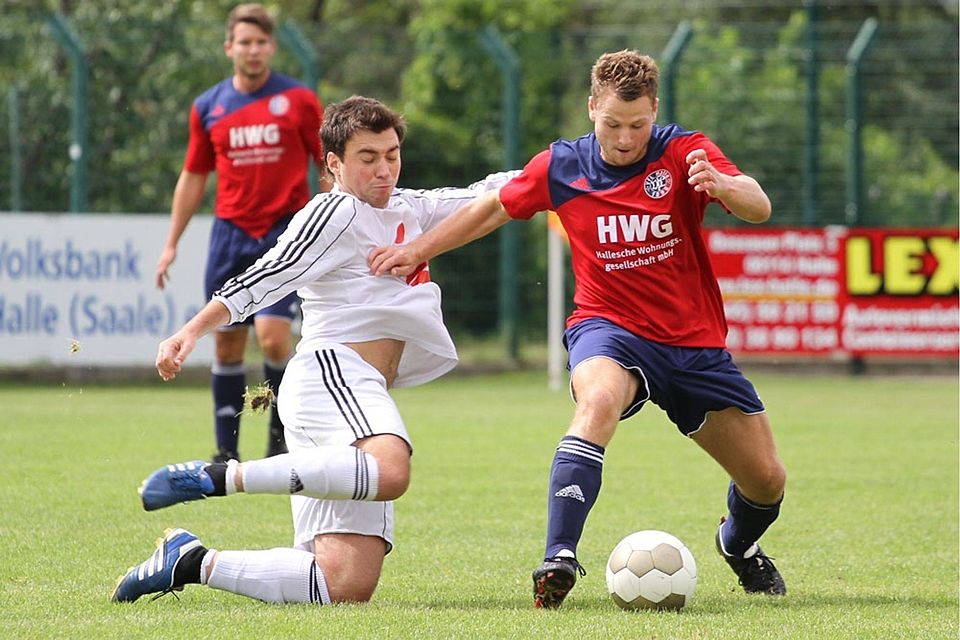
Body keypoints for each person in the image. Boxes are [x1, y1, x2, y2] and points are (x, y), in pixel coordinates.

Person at [369, 49, 788, 609]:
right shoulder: (562, 165)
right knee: (596, 403)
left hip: (692, 344)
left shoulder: (685, 150)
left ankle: (737, 546)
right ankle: (558, 557)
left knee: (766, 482)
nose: (624, 138)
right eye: (612, 124)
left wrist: (722, 184)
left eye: (637, 125)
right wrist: (417, 249)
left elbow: (758, 205)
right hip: (606, 327)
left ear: (654, 111)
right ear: (592, 108)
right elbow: (493, 208)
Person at [112, 96, 515, 606]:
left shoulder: (412, 209)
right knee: (390, 469)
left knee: (344, 583)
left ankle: (190, 560)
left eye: (391, 154)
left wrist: (585, 159)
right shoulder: (335, 210)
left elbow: (492, 194)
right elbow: (267, 274)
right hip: (332, 373)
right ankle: (219, 476)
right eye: (368, 157)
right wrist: (191, 330)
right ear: (334, 164)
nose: (384, 168)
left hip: (348, 394)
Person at [155, 3, 326, 463]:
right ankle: (225, 453)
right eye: (244, 42)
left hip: (284, 232)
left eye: (261, 42)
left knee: (273, 339)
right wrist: (171, 243)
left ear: (272, 47)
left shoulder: (298, 101)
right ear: (229, 48)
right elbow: (193, 176)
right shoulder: (209, 106)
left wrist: (336, 215)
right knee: (227, 341)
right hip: (230, 235)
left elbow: (327, 164)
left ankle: (277, 442)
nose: (253, 50)